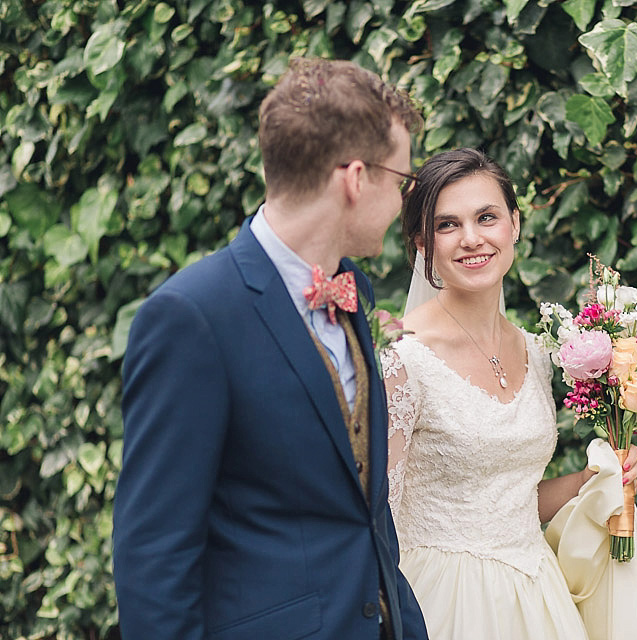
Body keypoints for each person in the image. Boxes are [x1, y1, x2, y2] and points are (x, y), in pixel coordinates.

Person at [113, 58, 428, 640]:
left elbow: (365, 512)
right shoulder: (191, 317)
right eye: (402, 181)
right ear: (356, 179)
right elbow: (154, 554)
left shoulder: (352, 286)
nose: (404, 202)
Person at [381, 148, 637, 639]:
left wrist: (597, 476)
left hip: (535, 599)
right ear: (424, 242)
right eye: (447, 225)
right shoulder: (404, 359)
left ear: (515, 223)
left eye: (487, 217)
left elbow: (517, 502)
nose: (471, 239)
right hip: (441, 603)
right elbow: (378, 517)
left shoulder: (538, 351)